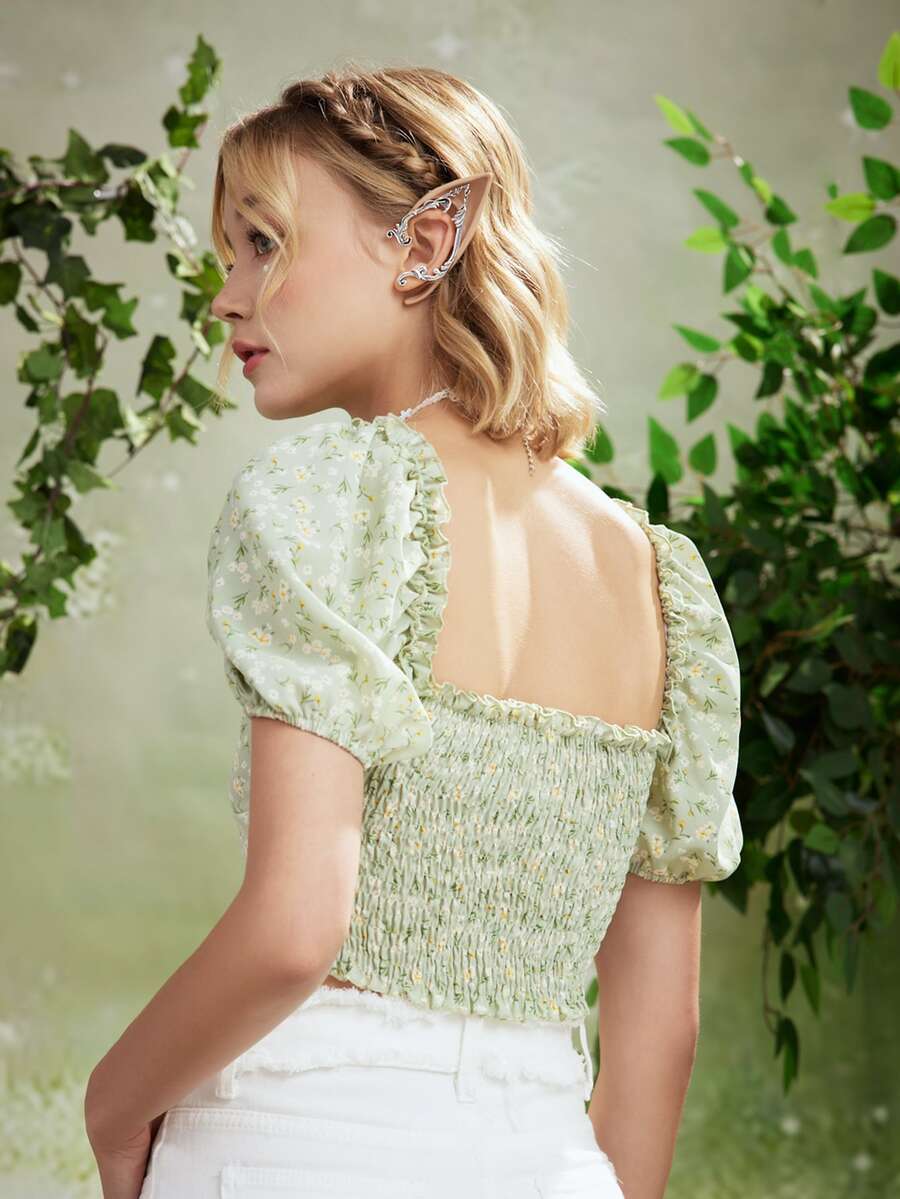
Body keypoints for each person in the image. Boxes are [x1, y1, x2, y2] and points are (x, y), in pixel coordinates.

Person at [84, 64, 743, 1199]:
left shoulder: (330, 493)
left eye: (262, 243)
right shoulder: (656, 576)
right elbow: (658, 1032)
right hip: (551, 1161)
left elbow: (296, 928)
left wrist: (112, 1105)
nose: (227, 297)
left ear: (425, 242)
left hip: (301, 1142)